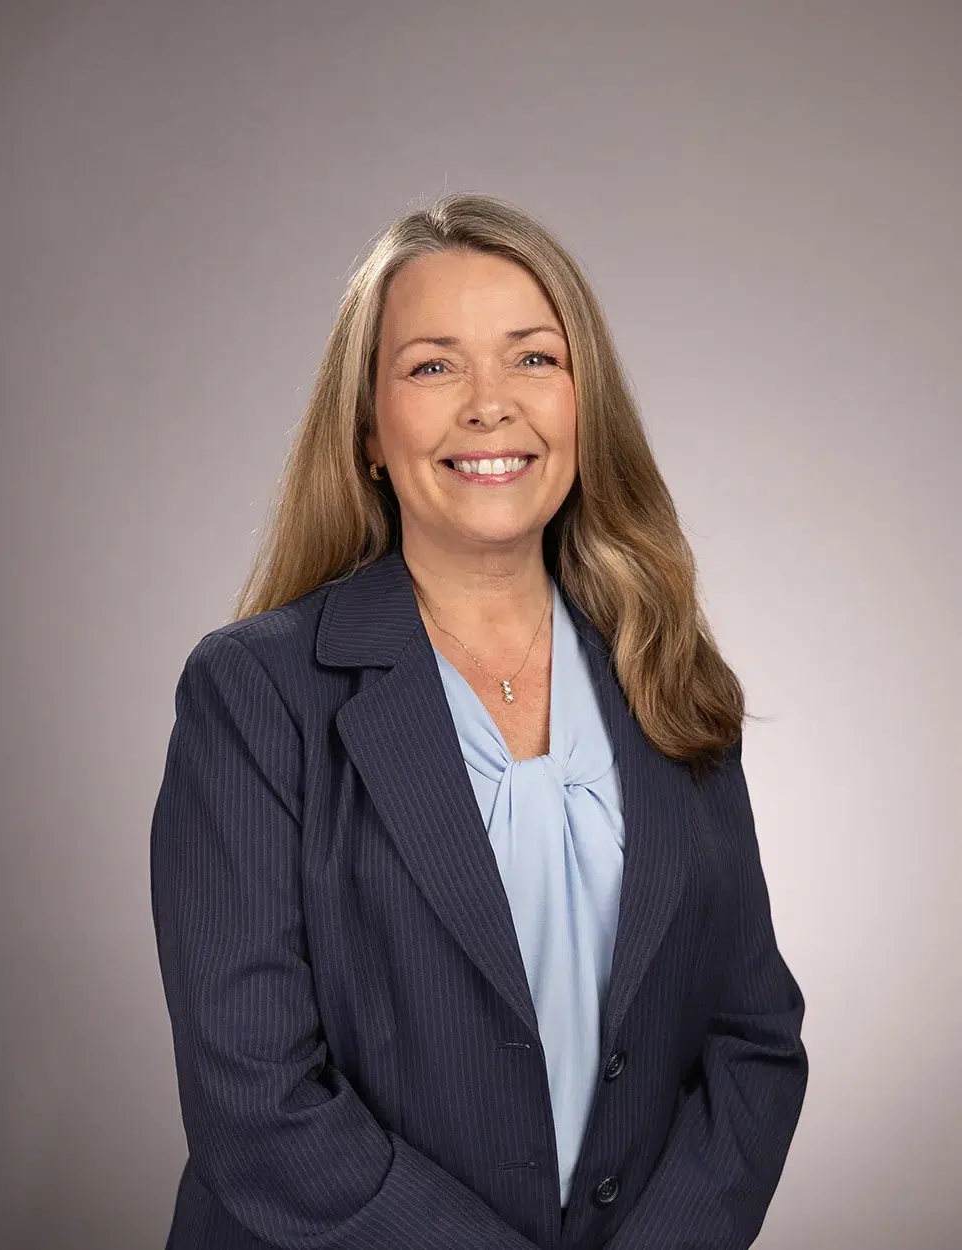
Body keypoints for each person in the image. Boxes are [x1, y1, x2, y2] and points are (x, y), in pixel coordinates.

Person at [150, 193, 809, 1250]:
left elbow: (751, 1039)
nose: (490, 405)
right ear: (369, 431)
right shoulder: (252, 694)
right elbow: (257, 1102)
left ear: (584, 405)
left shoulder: (666, 672)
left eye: (533, 358)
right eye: (432, 366)